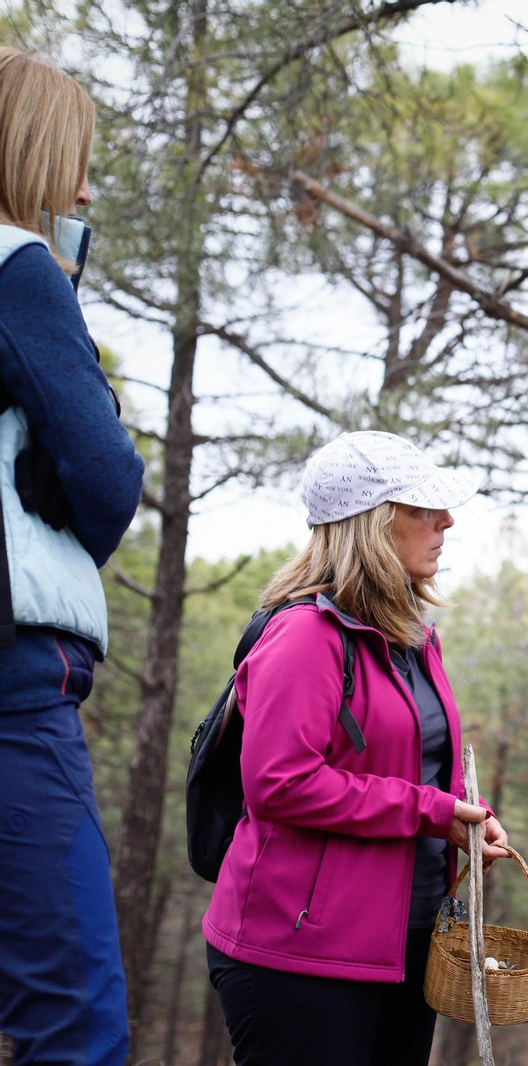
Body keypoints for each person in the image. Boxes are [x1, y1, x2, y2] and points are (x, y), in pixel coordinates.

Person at [201, 431, 508, 1066]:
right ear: (373, 522)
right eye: (424, 506)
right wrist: (429, 811)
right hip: (299, 955)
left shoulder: (415, 639)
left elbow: (412, 767)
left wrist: (464, 820)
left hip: (402, 944)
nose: (446, 520)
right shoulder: (304, 635)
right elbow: (280, 783)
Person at [0, 48, 144, 1066]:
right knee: (73, 1016)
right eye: (75, 162)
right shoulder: (19, 266)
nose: (84, 189)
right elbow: (104, 473)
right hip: (12, 679)